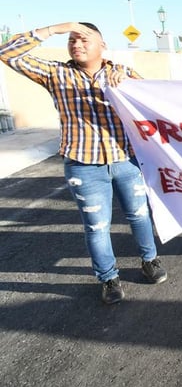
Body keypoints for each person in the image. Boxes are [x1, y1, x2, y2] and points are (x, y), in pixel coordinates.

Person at [0, 22, 167, 304]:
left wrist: (125, 82)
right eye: (72, 40)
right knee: (96, 226)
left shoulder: (123, 74)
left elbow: (156, 101)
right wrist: (55, 29)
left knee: (139, 215)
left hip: (126, 160)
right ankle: (108, 278)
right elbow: (8, 53)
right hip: (83, 165)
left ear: (102, 46)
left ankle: (149, 260)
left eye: (84, 39)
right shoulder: (57, 74)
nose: (76, 44)